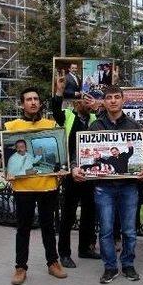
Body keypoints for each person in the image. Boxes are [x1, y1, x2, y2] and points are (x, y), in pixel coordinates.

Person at [72, 85, 143, 284]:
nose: (113, 101)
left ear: (123, 100)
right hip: (103, 187)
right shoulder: (95, 126)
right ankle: (110, 267)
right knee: (106, 229)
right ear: (104, 101)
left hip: (129, 186)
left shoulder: (133, 126)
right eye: (109, 97)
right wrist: (75, 167)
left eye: (117, 97)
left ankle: (128, 264)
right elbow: (81, 154)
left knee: (129, 230)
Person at [6, 87, 68, 285]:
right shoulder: (11, 126)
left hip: (47, 185)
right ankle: (20, 267)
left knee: (48, 226)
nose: (32, 102)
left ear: (40, 103)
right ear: (21, 104)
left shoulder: (51, 125)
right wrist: (7, 171)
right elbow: (8, 158)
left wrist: (61, 169)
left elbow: (59, 154)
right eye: (28, 99)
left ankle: (53, 262)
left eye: (35, 99)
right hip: (23, 187)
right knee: (22, 228)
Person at [51, 74, 101, 269]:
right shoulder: (68, 116)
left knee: (89, 212)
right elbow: (55, 108)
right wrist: (59, 91)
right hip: (72, 173)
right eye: (82, 99)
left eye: (88, 99)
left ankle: (85, 248)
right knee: (68, 215)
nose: (86, 102)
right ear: (75, 102)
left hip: (91, 173)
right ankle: (64, 253)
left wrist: (98, 106)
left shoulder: (96, 118)